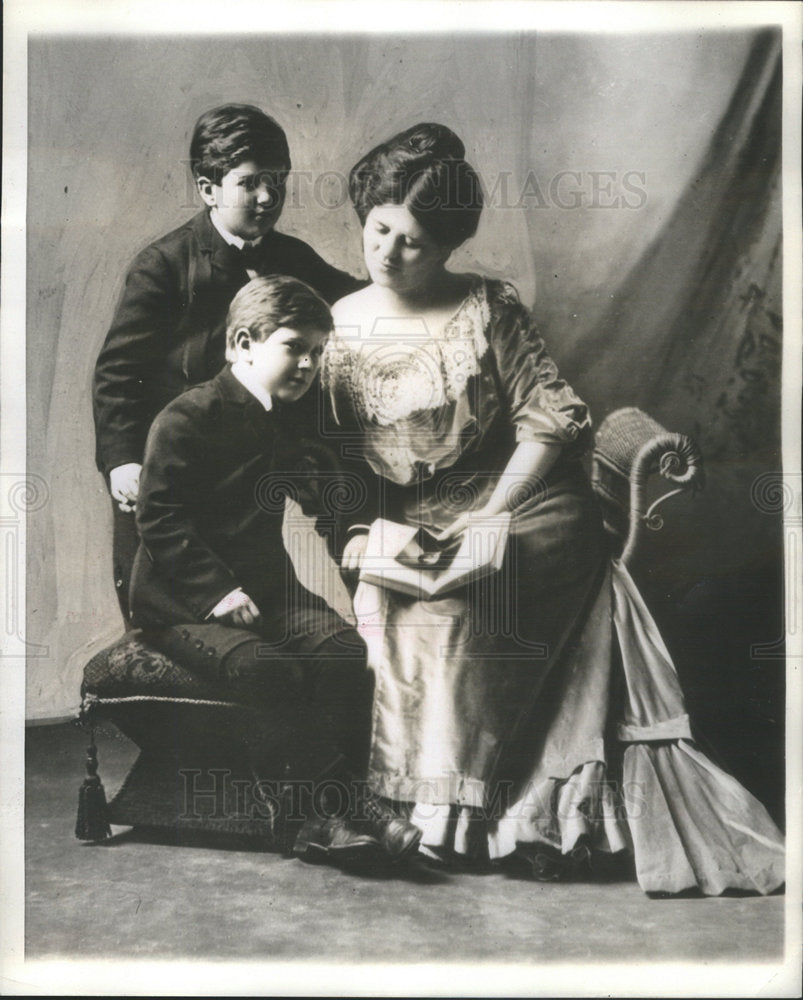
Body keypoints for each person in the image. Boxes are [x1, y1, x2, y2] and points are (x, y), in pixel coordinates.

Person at [321, 122, 785, 895]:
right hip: (421, 514)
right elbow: (330, 458)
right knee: (398, 611)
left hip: (528, 501)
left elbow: (548, 418)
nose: (390, 252)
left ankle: (496, 822)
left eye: (414, 242)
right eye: (379, 230)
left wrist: (494, 513)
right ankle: (422, 818)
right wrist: (370, 533)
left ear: (445, 249)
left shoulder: (485, 308)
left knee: (472, 606)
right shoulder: (335, 326)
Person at [129, 275, 421, 867]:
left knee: (342, 650)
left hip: (265, 586)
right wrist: (219, 591)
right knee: (267, 669)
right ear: (242, 343)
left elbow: (328, 490)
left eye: (318, 352)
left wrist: (358, 533)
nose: (309, 364)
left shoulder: (291, 418)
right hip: (181, 600)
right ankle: (342, 810)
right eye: (295, 347)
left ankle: (323, 818)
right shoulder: (185, 418)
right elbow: (159, 519)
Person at [94, 103, 361, 621]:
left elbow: (354, 300)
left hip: (257, 458)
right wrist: (122, 458)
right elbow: (118, 374)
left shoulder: (294, 258)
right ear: (208, 188)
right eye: (250, 183)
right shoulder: (164, 266)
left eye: (277, 182)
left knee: (276, 587)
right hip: (176, 460)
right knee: (164, 598)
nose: (267, 197)